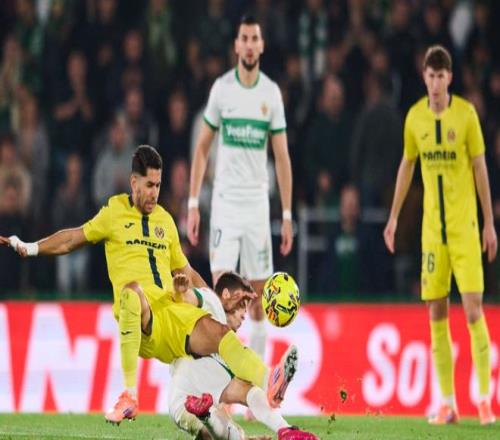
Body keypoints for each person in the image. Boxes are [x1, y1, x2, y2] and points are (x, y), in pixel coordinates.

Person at [0, 145, 278, 425]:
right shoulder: (114, 212)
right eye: (149, 185)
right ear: (134, 182)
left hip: (172, 313)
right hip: (142, 317)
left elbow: (188, 272)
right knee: (132, 292)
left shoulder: (165, 221)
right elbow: (73, 238)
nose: (154, 192)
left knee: (220, 333)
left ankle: (271, 381)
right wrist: (32, 247)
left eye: (158, 185)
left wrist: (215, 306)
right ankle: (130, 395)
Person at [383, 45, 497, 425]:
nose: (435, 83)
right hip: (433, 233)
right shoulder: (414, 118)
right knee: (436, 312)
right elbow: (406, 165)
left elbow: (480, 168)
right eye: (430, 76)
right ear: (424, 77)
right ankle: (447, 403)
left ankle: (484, 400)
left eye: (441, 76)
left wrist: (488, 223)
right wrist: (393, 218)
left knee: (473, 310)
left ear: (450, 78)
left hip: (465, 230)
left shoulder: (465, 115)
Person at [187, 14, 293, 368]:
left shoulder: (270, 94)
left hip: (256, 206)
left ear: (261, 45)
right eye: (244, 38)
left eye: (254, 39)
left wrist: (287, 214)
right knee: (223, 294)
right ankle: (223, 378)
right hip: (225, 203)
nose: (249, 45)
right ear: (236, 45)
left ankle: (254, 379)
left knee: (257, 300)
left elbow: (282, 157)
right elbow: (202, 147)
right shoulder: (222, 90)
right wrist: (193, 203)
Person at [170, 271, 316, 440]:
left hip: (193, 400)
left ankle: (285, 430)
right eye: (242, 304)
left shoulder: (225, 346)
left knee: (234, 423)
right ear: (226, 294)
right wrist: (180, 292)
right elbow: (191, 297)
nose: (244, 314)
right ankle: (272, 388)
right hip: (186, 389)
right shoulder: (212, 303)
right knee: (240, 394)